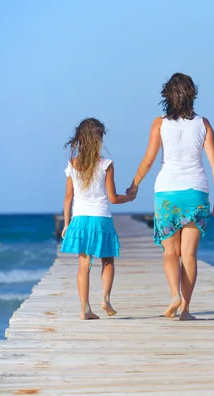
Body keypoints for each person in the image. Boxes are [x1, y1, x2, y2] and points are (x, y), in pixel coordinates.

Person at [127, 73, 214, 321]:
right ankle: (186, 309)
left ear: (168, 95)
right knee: (189, 255)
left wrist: (134, 185)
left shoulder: (159, 124)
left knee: (170, 252)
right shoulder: (203, 124)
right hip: (196, 192)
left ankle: (174, 295)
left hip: (167, 192)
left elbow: (149, 159)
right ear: (192, 94)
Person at [60, 118, 136, 320]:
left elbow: (68, 198)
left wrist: (67, 224)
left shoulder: (73, 164)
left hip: (80, 219)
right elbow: (112, 198)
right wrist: (129, 197)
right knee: (108, 260)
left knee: (83, 265)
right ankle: (105, 298)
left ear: (81, 139)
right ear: (98, 139)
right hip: (101, 218)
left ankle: (84, 308)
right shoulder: (106, 164)